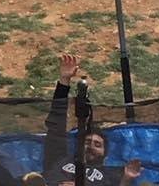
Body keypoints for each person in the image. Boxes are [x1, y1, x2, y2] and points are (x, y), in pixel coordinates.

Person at [43, 54, 142, 186]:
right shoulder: (59, 158)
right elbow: (56, 122)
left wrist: (127, 179)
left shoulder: (108, 176)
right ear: (78, 145)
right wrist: (64, 80)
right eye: (87, 142)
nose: (91, 146)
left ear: (105, 154)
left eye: (97, 145)